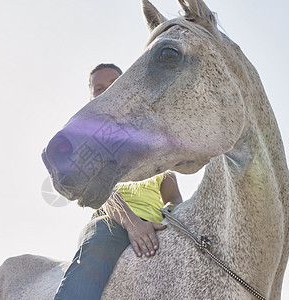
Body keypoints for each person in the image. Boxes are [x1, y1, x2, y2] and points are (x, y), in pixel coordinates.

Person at [54, 63, 183, 300]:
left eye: (113, 85)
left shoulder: (152, 139)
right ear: (92, 96)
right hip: (112, 223)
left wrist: (171, 213)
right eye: (99, 89)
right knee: (97, 249)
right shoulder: (90, 140)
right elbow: (97, 190)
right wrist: (133, 224)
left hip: (158, 223)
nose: (107, 92)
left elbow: (173, 195)